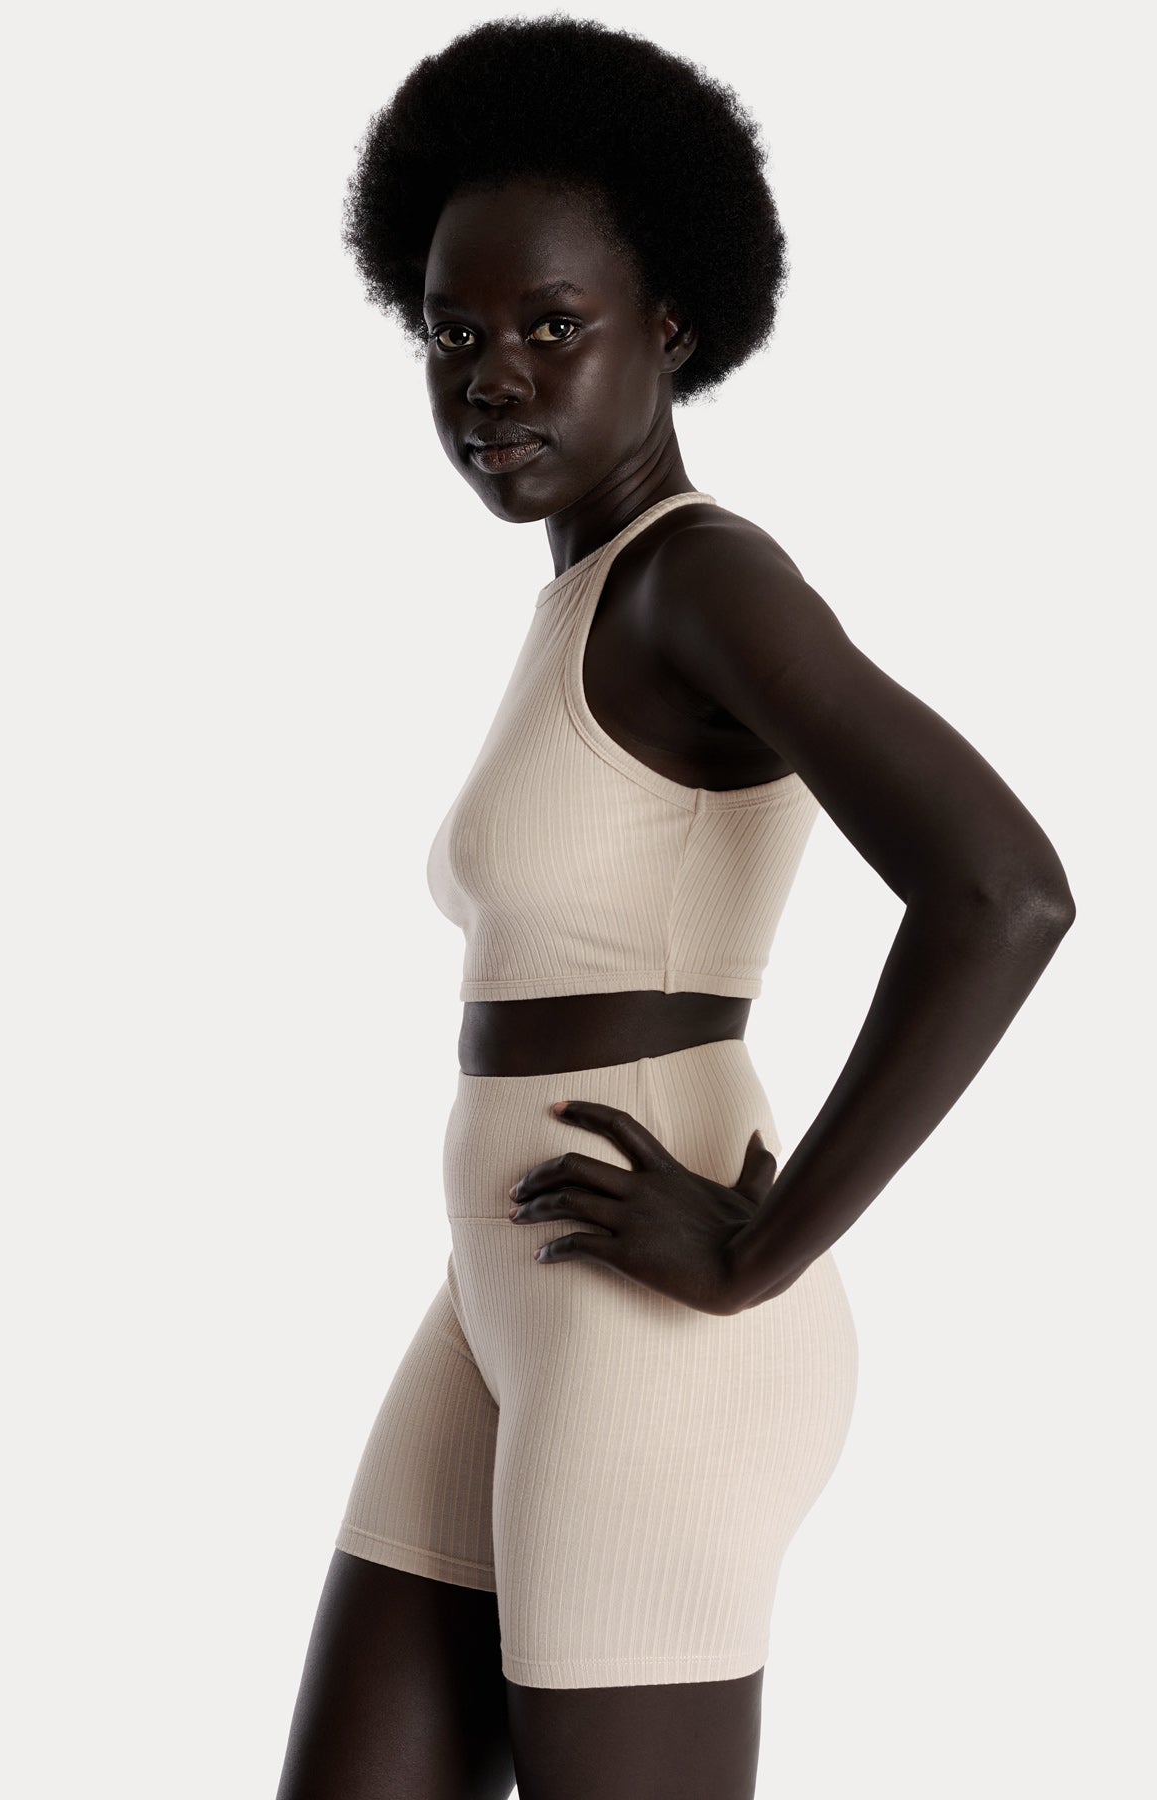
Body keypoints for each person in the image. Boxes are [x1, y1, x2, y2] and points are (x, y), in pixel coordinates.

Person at [274, 18, 1075, 1799]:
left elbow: (1004, 889)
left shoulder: (700, 582)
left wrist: (756, 1255)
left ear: (673, 331)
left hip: (655, 1335)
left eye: (552, 327)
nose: (493, 380)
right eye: (454, 335)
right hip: (511, 1289)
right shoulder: (585, 596)